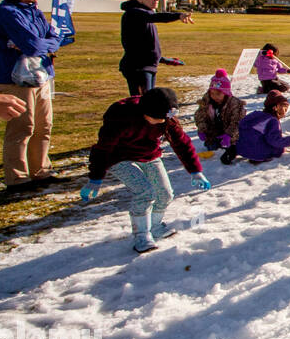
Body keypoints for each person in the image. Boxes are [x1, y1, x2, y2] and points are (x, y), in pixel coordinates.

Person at [81, 88, 210, 252]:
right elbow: (103, 149)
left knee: (165, 193)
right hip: (119, 158)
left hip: (149, 156)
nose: (161, 121)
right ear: (144, 112)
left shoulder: (166, 120)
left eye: (163, 118)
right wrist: (95, 177)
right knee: (145, 192)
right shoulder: (121, 117)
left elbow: (182, 144)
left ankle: (154, 226)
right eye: (156, 118)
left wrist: (195, 171)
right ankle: (141, 234)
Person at [0, 0, 62, 192]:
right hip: (16, 78)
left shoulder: (33, 10)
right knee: (22, 126)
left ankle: (41, 170)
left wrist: (42, 45)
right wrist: (40, 45)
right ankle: (17, 178)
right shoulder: (7, 12)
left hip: (41, 74)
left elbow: (55, 38)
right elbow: (33, 45)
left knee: (44, 124)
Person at [118, 0, 193, 95]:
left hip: (148, 66)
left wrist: (163, 59)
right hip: (138, 68)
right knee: (143, 104)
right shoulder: (133, 13)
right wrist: (178, 15)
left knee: (148, 102)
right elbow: (156, 17)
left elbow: (143, 45)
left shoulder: (144, 15)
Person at [193, 69, 246, 164]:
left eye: (218, 94)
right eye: (212, 93)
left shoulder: (234, 104)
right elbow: (200, 116)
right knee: (213, 148)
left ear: (225, 92)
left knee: (231, 148)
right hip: (214, 133)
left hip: (230, 135)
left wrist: (229, 135)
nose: (214, 96)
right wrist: (202, 129)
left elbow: (237, 122)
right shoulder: (207, 102)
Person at [237, 91, 290, 163]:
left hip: (242, 150)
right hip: (257, 153)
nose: (284, 112)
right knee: (278, 149)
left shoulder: (256, 114)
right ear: (275, 108)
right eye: (283, 108)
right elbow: (274, 141)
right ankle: (258, 156)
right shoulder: (272, 121)